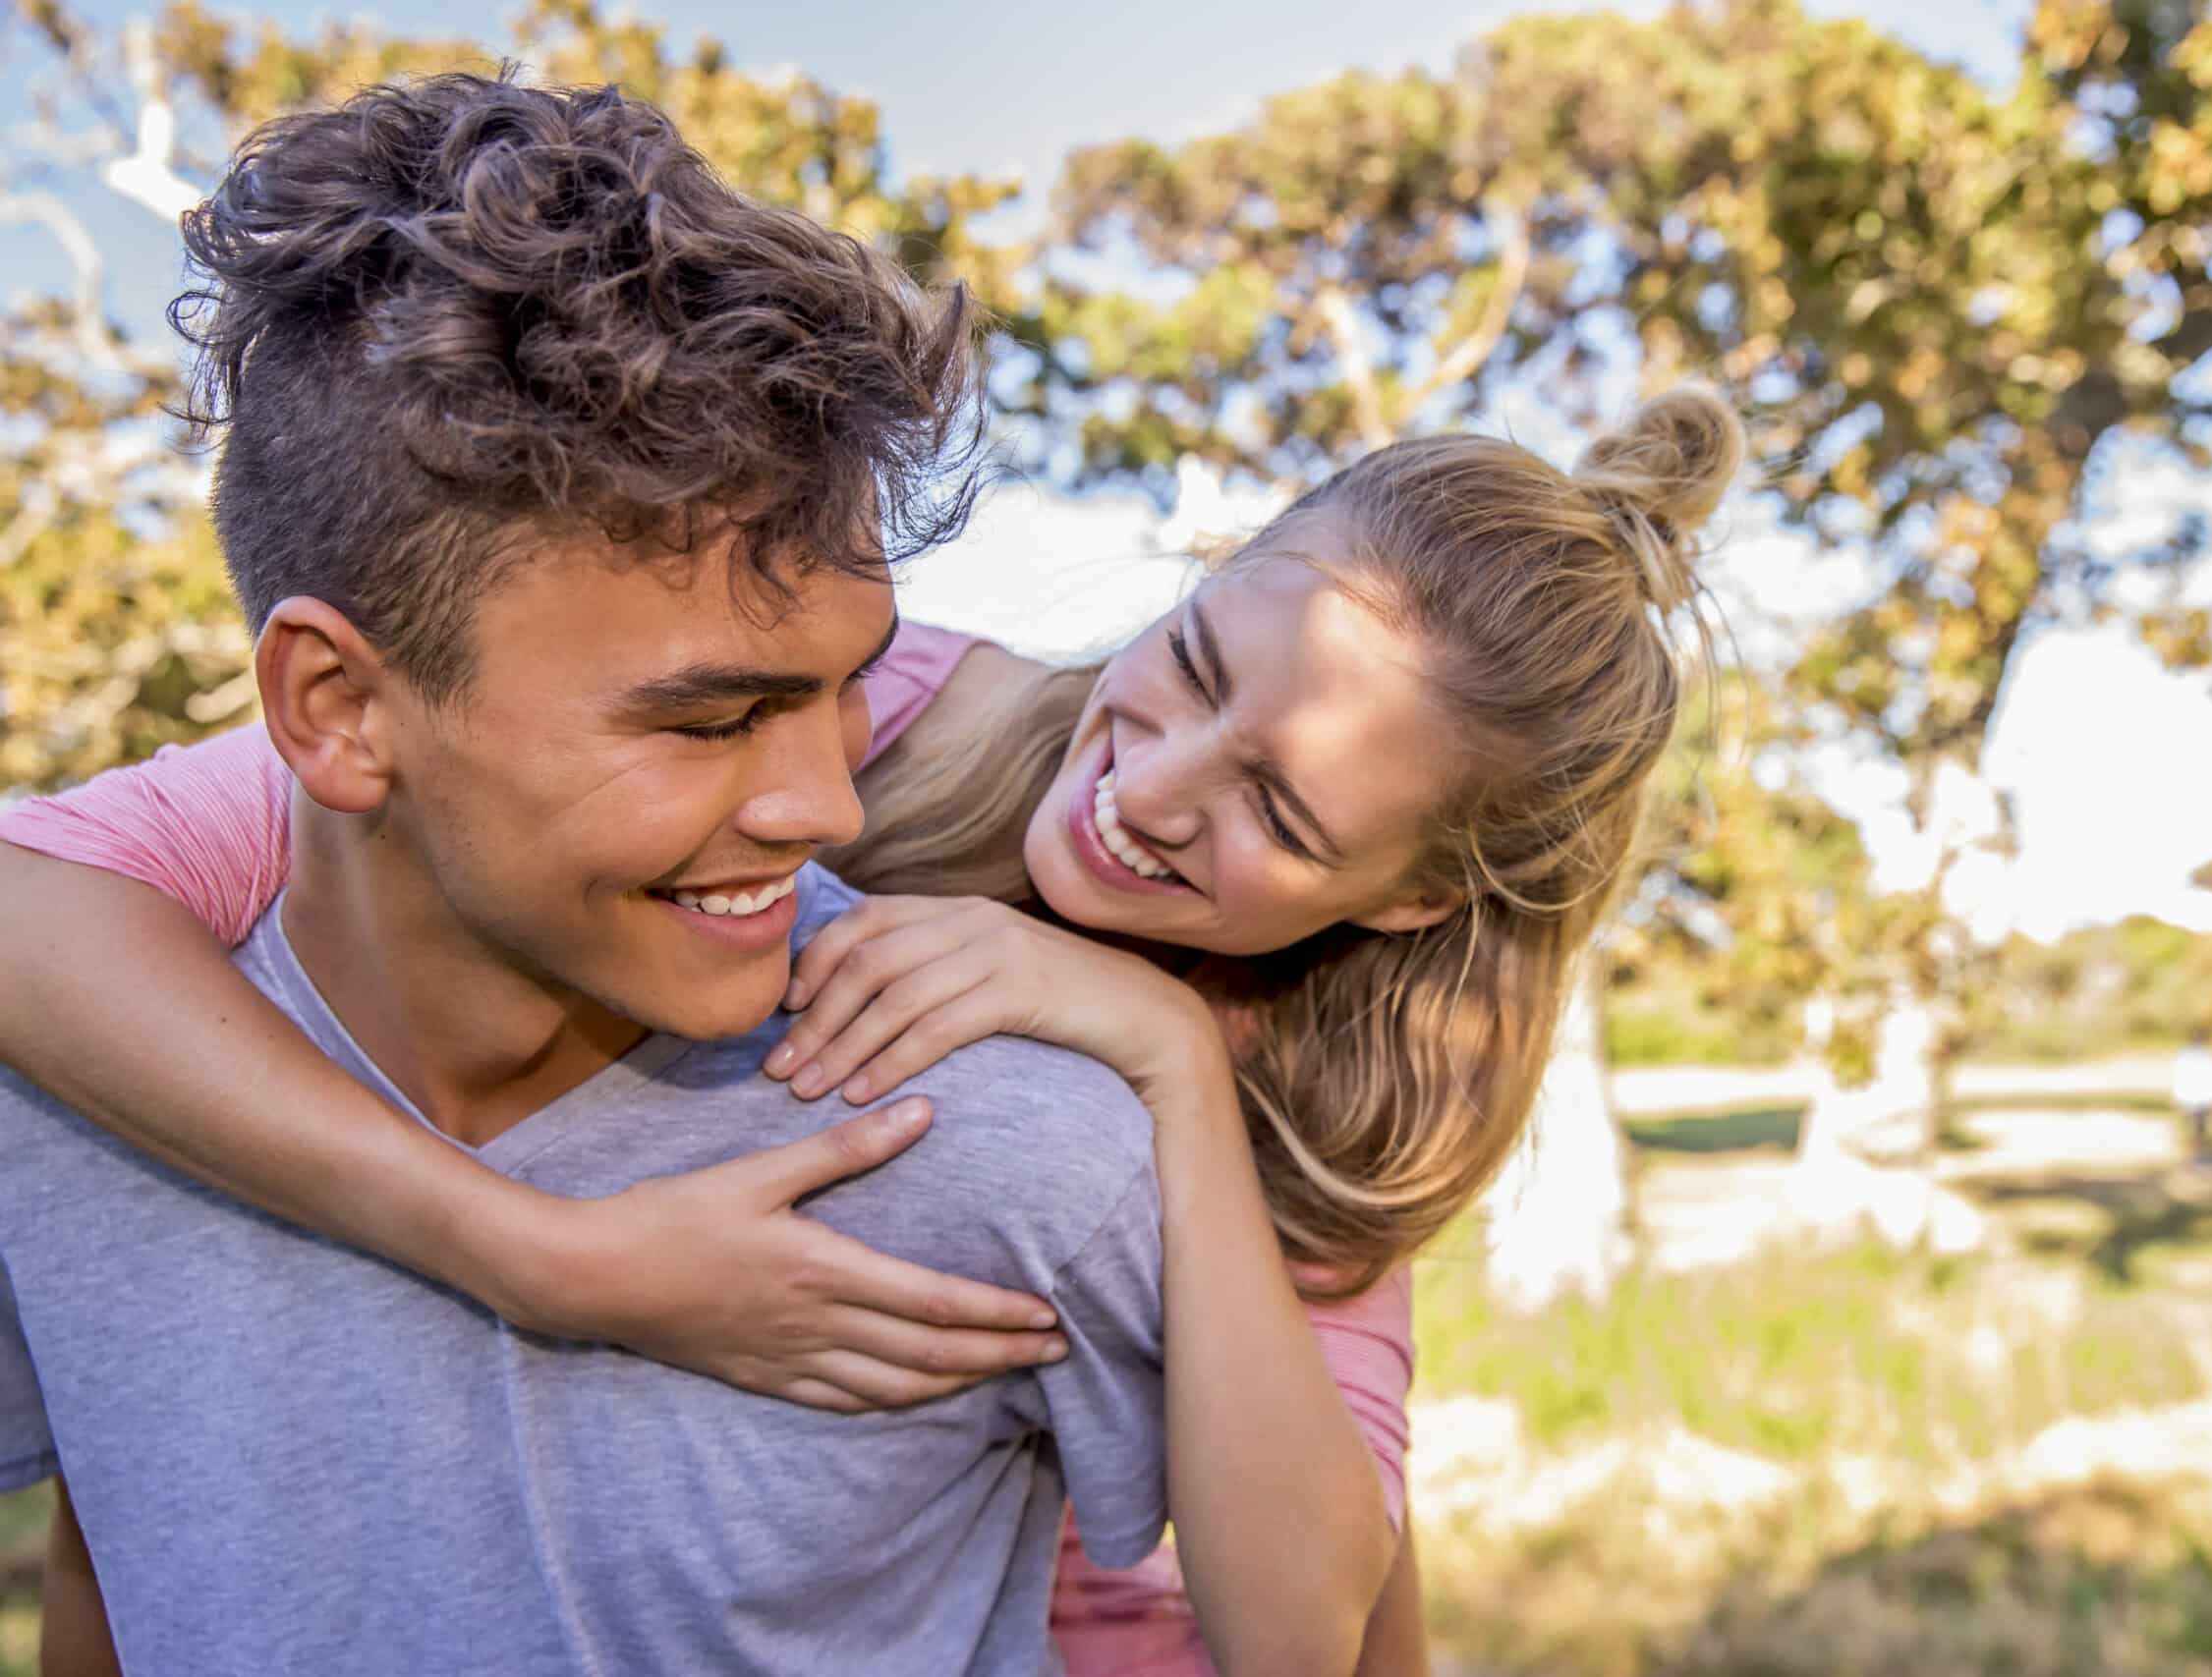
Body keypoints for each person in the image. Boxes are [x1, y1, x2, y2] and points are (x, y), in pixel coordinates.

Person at [1, 99, 1748, 1677]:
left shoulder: (1265, 1108)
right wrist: (538, 1256)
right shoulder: (875, 699)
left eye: (1284, 818)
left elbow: (1332, 1622)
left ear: (1407, 901)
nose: (1149, 788)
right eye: (1196, 667)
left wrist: (1171, 1066)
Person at [0, 72, 1173, 1676]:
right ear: (337, 712)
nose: (830, 804)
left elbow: (1326, 1604)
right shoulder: (68, 1117)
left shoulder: (1011, 1145)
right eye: (708, 721)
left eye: (846, 687)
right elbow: (127, 1550)